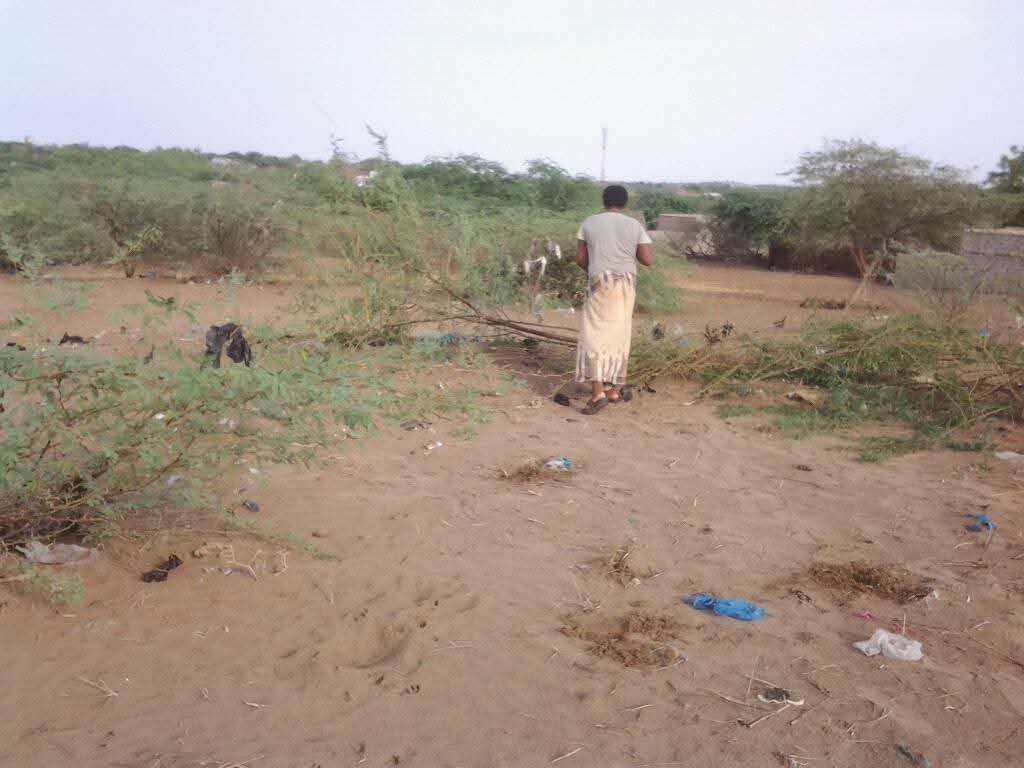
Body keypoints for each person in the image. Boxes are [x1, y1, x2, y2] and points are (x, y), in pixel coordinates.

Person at [574, 185, 653, 414]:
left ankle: (598, 392)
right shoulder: (634, 225)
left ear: (604, 201)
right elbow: (647, 259)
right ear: (625, 203)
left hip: (600, 281)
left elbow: (580, 258)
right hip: (627, 284)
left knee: (594, 335)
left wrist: (596, 271)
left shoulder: (589, 222)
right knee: (619, 334)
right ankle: (614, 390)